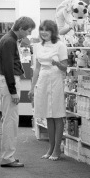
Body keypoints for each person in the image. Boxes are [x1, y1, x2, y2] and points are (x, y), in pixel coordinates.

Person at [0, 16, 35, 167]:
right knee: (11, 121)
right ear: (21, 28)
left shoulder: (9, 39)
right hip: (9, 82)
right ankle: (7, 157)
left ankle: (4, 155)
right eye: (28, 31)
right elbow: (8, 68)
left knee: (7, 120)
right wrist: (13, 91)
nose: (28, 34)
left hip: (7, 82)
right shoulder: (9, 41)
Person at [32, 18, 69, 160]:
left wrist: (57, 63)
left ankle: (57, 149)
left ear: (53, 31)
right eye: (42, 29)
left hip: (55, 79)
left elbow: (65, 67)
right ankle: (50, 147)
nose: (44, 32)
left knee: (57, 114)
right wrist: (32, 86)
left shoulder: (60, 45)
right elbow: (37, 67)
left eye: (47, 30)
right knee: (48, 114)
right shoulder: (38, 46)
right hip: (43, 79)